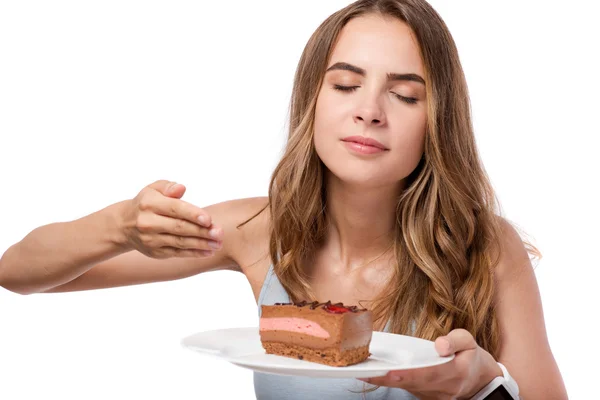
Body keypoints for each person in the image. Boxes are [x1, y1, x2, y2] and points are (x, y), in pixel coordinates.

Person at [0, 0, 568, 399]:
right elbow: (18, 272)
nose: (369, 109)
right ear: (311, 101)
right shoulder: (257, 230)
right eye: (345, 84)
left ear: (437, 121)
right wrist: (121, 225)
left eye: (404, 94)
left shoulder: (485, 246)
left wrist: (480, 388)